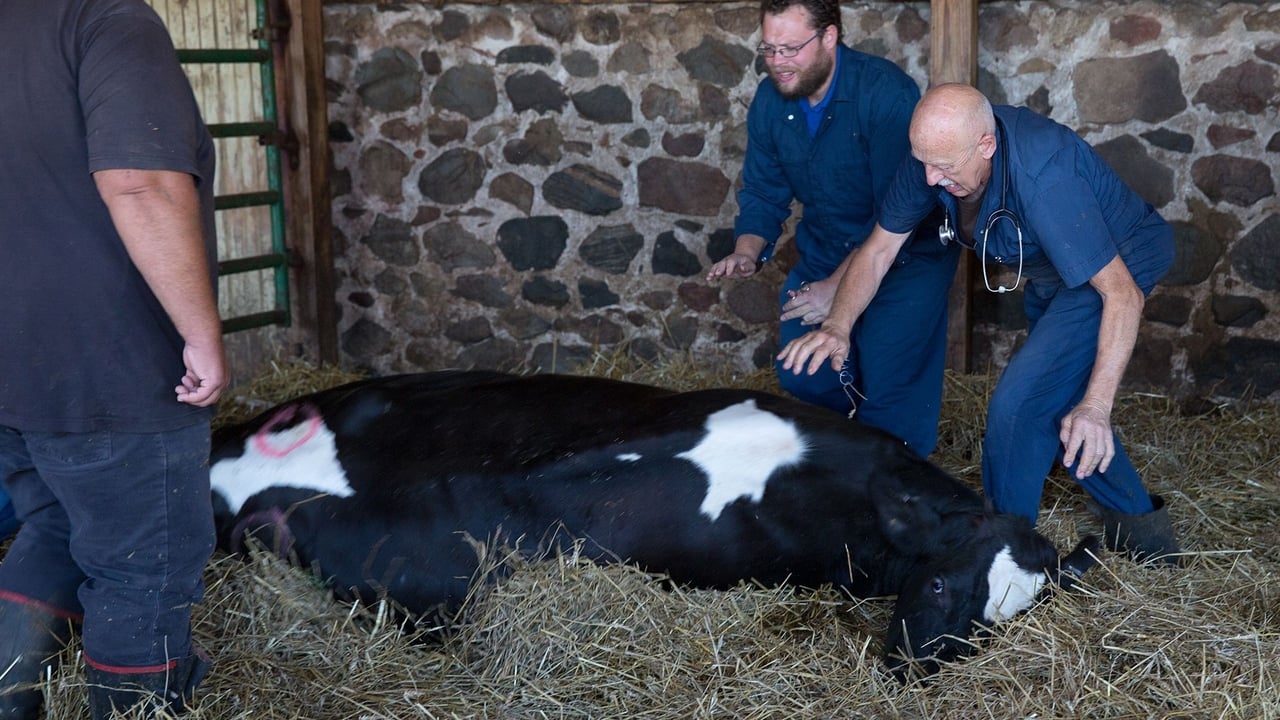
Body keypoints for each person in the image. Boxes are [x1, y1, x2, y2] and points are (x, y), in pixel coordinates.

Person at [779, 83, 1180, 563]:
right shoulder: (933, 157)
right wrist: (838, 326)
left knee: (1022, 404)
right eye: (923, 162)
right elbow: (879, 250)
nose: (929, 178)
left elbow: (1121, 293)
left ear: (986, 146)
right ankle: (1144, 531)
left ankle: (1001, 556)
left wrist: (1098, 404)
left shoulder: (1044, 173)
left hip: (1118, 269)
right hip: (1057, 275)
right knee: (1058, 401)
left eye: (944, 168)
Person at [0, 0, 228, 717]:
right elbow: (141, 182)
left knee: (56, 526)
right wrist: (201, 334)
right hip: (109, 361)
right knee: (143, 574)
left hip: (14, 364)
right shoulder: (106, 19)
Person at [706, 0, 958, 458]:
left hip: (906, 257)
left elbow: (894, 217)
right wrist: (747, 249)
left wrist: (835, 291)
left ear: (829, 37)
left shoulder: (886, 94)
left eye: (790, 49)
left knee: (892, 390)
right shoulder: (770, 100)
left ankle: (892, 489)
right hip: (826, 249)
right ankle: (845, 458)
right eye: (769, 49)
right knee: (802, 372)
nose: (777, 62)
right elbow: (764, 191)